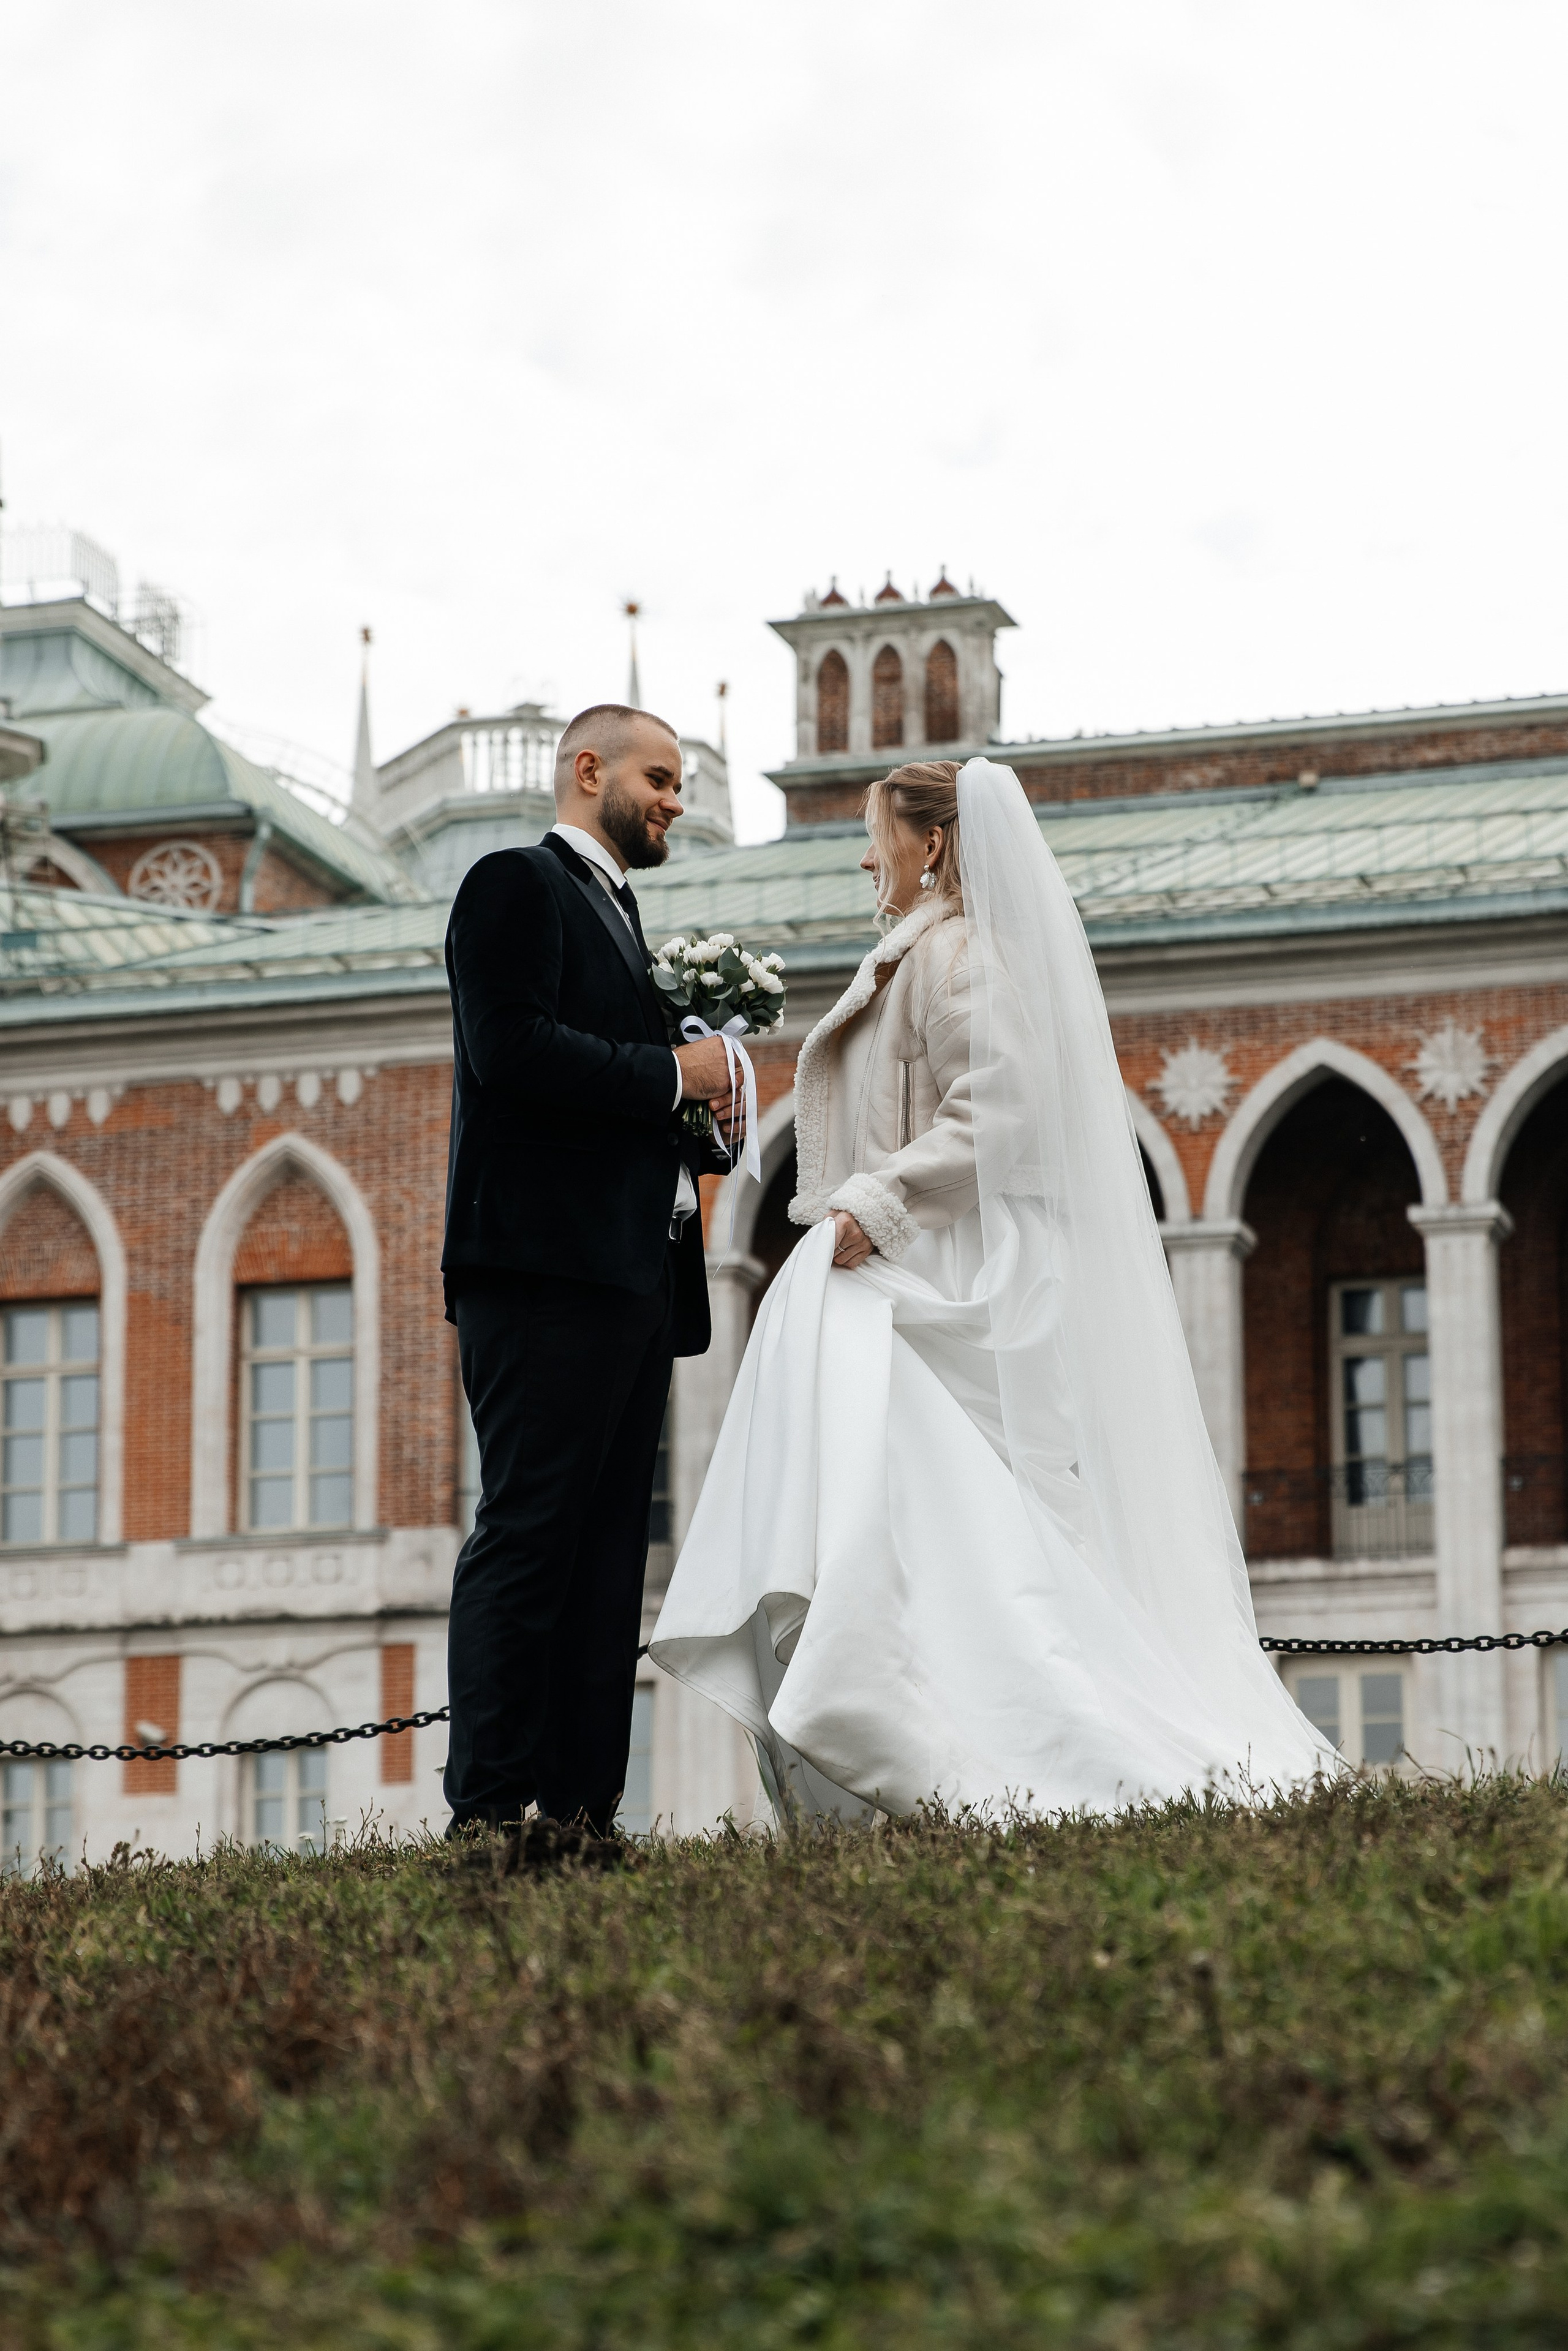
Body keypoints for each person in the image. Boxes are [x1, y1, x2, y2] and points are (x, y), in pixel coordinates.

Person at [650, 757, 1333, 1818]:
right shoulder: (919, 951)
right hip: (912, 1255)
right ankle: (932, 1748)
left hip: (944, 1264)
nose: (866, 855)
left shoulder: (959, 952)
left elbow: (998, 1111)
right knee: (923, 1528)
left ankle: (1013, 1752)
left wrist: (871, 1209)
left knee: (968, 1525)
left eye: (878, 832)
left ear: (933, 844)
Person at [441, 703, 741, 1838]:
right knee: (530, 1530)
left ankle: (581, 1810)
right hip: (542, 1271)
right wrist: (675, 1074)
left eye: (680, 785)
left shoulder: (622, 914)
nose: (675, 801)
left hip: (633, 1275)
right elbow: (509, 1051)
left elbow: (613, 1094)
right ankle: (489, 1807)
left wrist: (702, 1124)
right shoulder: (511, 883)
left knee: (613, 1548)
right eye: (660, 779)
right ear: (587, 771)